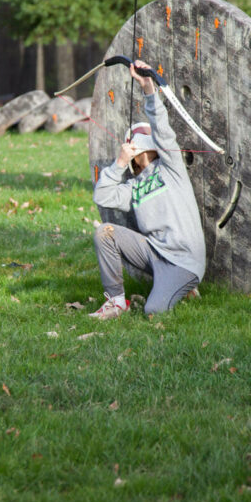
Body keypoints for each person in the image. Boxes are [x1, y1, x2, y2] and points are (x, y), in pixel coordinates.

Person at [88, 60, 206, 319]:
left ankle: (185, 286)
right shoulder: (133, 186)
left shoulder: (170, 167)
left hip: (183, 262)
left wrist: (148, 87)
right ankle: (116, 302)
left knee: (153, 311)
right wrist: (119, 164)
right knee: (104, 232)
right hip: (154, 254)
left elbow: (163, 131)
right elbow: (103, 195)